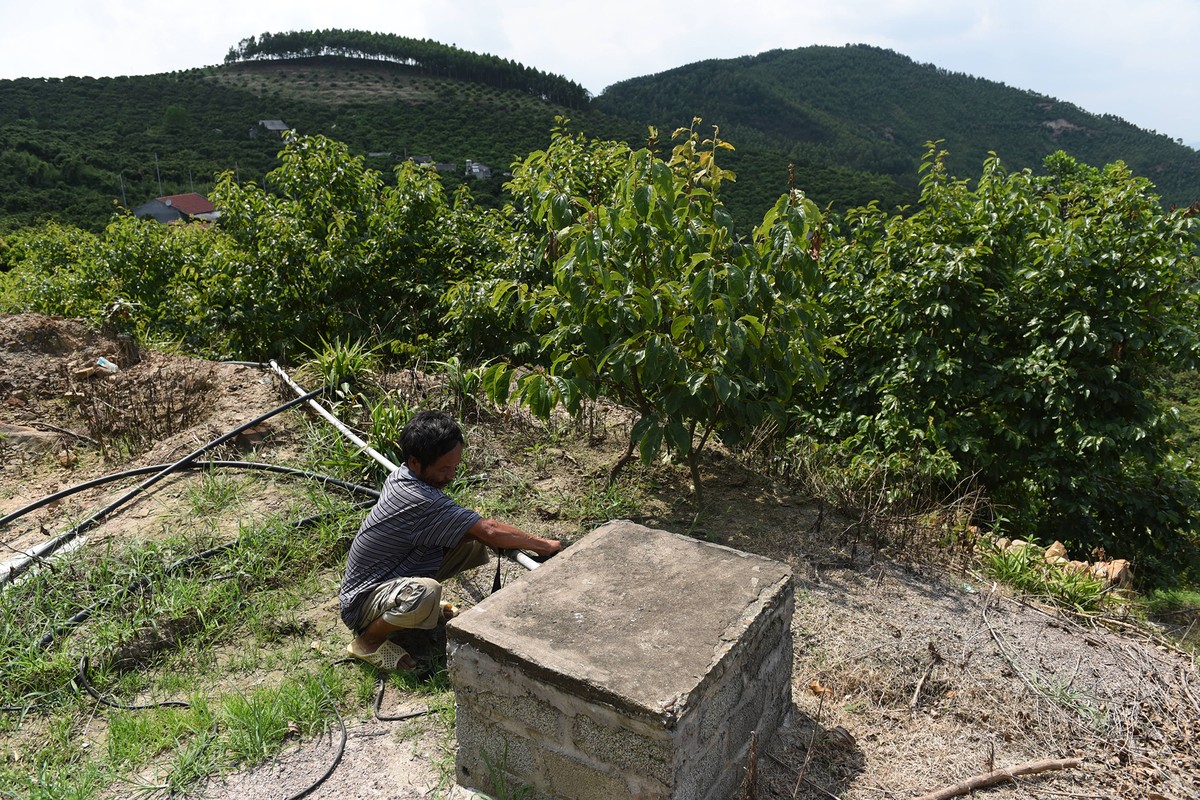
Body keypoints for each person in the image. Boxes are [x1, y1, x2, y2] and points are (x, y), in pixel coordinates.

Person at [339, 410, 562, 671]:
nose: (451, 476)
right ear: (415, 462)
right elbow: (489, 529)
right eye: (444, 468)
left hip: (393, 570)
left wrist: (494, 536)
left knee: (472, 541)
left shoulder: (401, 475)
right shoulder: (419, 499)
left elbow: (479, 533)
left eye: (455, 467)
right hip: (362, 602)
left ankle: (414, 611)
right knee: (426, 592)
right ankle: (369, 640)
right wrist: (545, 546)